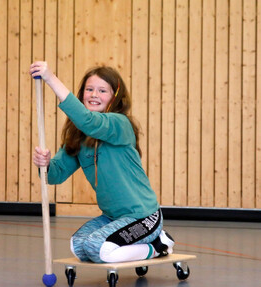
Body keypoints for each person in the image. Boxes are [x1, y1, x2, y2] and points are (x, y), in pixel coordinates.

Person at [30, 61, 175, 263]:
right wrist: (43, 164)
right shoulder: (79, 137)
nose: (94, 95)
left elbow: (89, 122)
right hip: (113, 218)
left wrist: (51, 78)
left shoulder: (120, 124)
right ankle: (142, 244)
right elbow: (55, 175)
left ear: (115, 98)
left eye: (102, 91)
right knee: (79, 246)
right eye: (89, 89)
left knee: (98, 249)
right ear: (82, 94)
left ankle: (157, 246)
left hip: (143, 216)